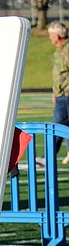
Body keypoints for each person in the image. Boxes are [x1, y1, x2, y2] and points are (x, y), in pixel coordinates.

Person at [48, 20, 69, 165]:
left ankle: (52, 155)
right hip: (61, 94)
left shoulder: (68, 49)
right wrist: (55, 91)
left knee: (60, 125)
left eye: (51, 35)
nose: (50, 38)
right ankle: (50, 155)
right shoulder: (58, 50)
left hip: (68, 93)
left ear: (58, 35)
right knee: (59, 125)